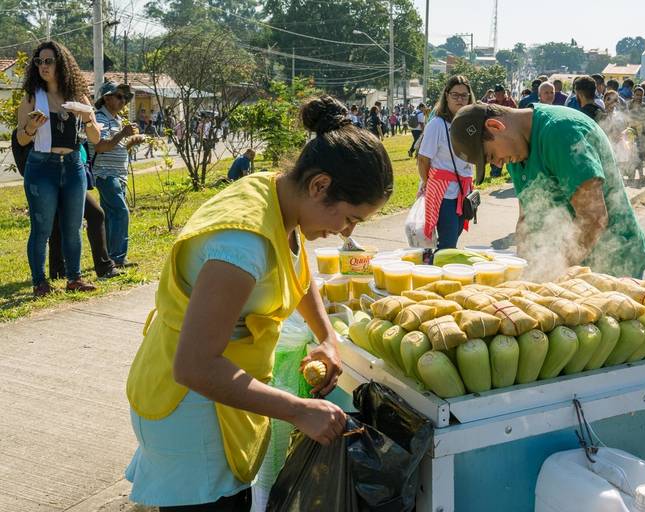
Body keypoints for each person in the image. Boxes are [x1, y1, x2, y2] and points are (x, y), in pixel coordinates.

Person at [124, 95, 394, 509]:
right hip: (190, 412)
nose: (346, 232)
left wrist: (326, 336)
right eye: (349, 218)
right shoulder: (241, 245)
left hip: (223, 401)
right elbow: (195, 366)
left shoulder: (280, 196)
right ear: (319, 186)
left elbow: (295, 271)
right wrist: (299, 410)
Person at [449, 101, 645, 279]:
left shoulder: (561, 132)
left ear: (495, 126)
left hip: (613, 265)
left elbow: (593, 218)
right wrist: (525, 267)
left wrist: (550, 272)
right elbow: (527, 218)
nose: (497, 164)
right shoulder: (515, 154)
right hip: (571, 271)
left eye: (491, 156)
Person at [16, 40, 102, 296]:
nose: (43, 66)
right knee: (41, 229)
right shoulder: (33, 97)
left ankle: (74, 278)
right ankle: (40, 283)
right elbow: (21, 139)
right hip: (42, 167)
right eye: (39, 61)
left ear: (61, 64)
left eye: (49, 61)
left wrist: (87, 119)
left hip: (73, 166)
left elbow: (96, 138)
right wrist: (32, 127)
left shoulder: (78, 97)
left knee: (73, 227)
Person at [417, 75, 476, 250]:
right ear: (446, 96)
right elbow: (423, 159)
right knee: (448, 245)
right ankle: (437, 266)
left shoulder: (471, 124)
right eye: (455, 95)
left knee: (453, 238)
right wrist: (428, 183)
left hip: (464, 191)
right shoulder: (437, 124)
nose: (460, 99)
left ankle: (437, 262)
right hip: (444, 193)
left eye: (464, 95)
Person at [91, 81, 145, 270]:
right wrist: (122, 134)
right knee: (121, 212)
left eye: (126, 98)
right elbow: (100, 146)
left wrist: (131, 142)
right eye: (119, 96)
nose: (124, 101)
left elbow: (116, 146)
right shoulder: (99, 118)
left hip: (118, 175)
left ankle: (109, 258)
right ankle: (118, 258)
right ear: (106, 98)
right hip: (106, 174)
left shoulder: (116, 119)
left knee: (110, 217)